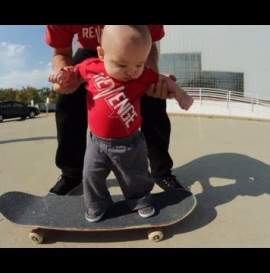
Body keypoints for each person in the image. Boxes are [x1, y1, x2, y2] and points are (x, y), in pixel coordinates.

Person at [48, 25, 193, 222]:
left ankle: (161, 172)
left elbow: (148, 49)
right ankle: (71, 175)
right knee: (67, 101)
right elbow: (61, 52)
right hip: (91, 53)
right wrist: (64, 76)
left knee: (153, 98)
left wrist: (151, 81)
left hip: (134, 50)